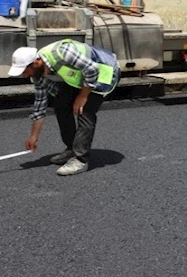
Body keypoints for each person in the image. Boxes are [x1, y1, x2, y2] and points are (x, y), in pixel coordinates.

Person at [8, 39, 120, 176]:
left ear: (36, 62)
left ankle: (80, 160)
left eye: (25, 70)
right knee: (61, 104)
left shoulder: (62, 53)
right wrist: (33, 137)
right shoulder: (38, 76)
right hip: (82, 78)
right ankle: (71, 149)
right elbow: (40, 106)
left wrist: (83, 96)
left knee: (84, 110)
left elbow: (92, 69)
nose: (25, 75)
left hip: (104, 72)